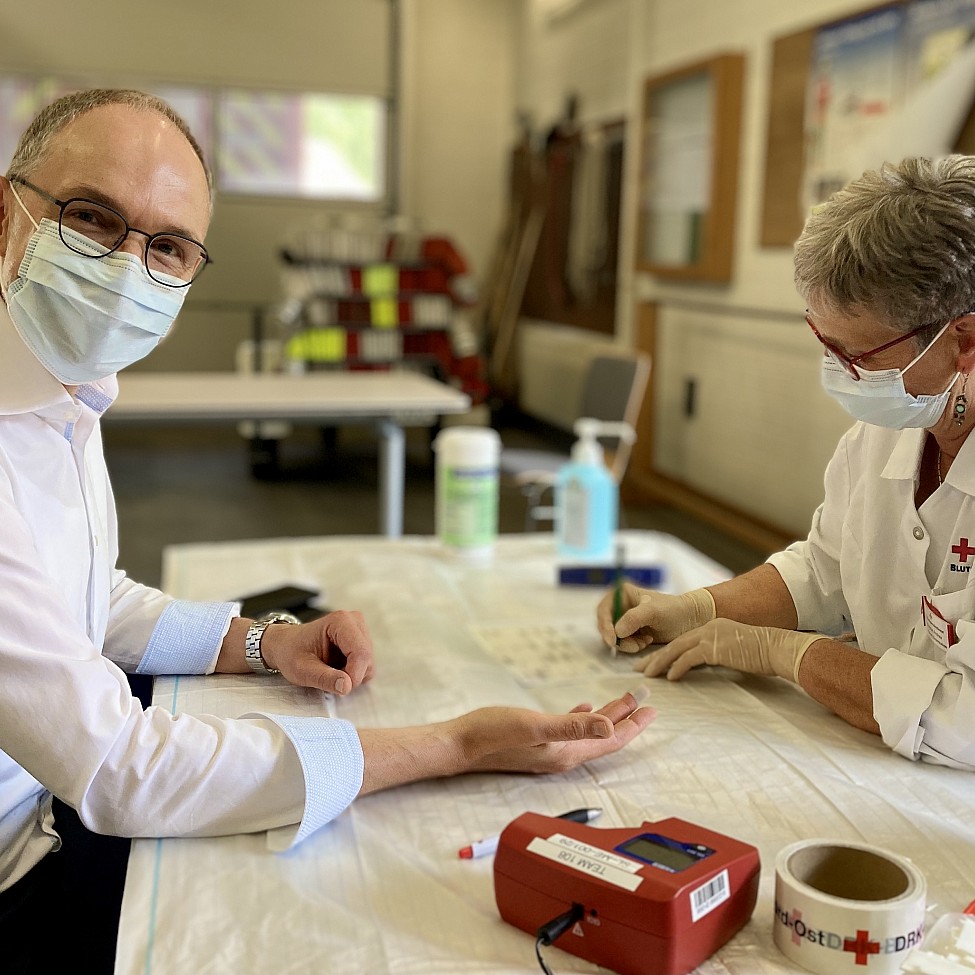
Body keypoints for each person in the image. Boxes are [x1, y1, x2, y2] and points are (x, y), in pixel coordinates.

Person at [0, 89, 655, 975]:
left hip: (43, 811)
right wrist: (454, 745)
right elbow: (121, 767)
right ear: (9, 214)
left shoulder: (58, 394)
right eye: (91, 218)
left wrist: (269, 642)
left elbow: (93, 600)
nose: (125, 269)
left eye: (165, 246)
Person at [598, 154, 975, 771]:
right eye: (827, 345)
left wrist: (783, 654)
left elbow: (964, 719)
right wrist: (697, 609)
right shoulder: (883, 435)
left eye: (859, 354)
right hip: (877, 755)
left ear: (963, 340)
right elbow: (828, 571)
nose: (839, 373)